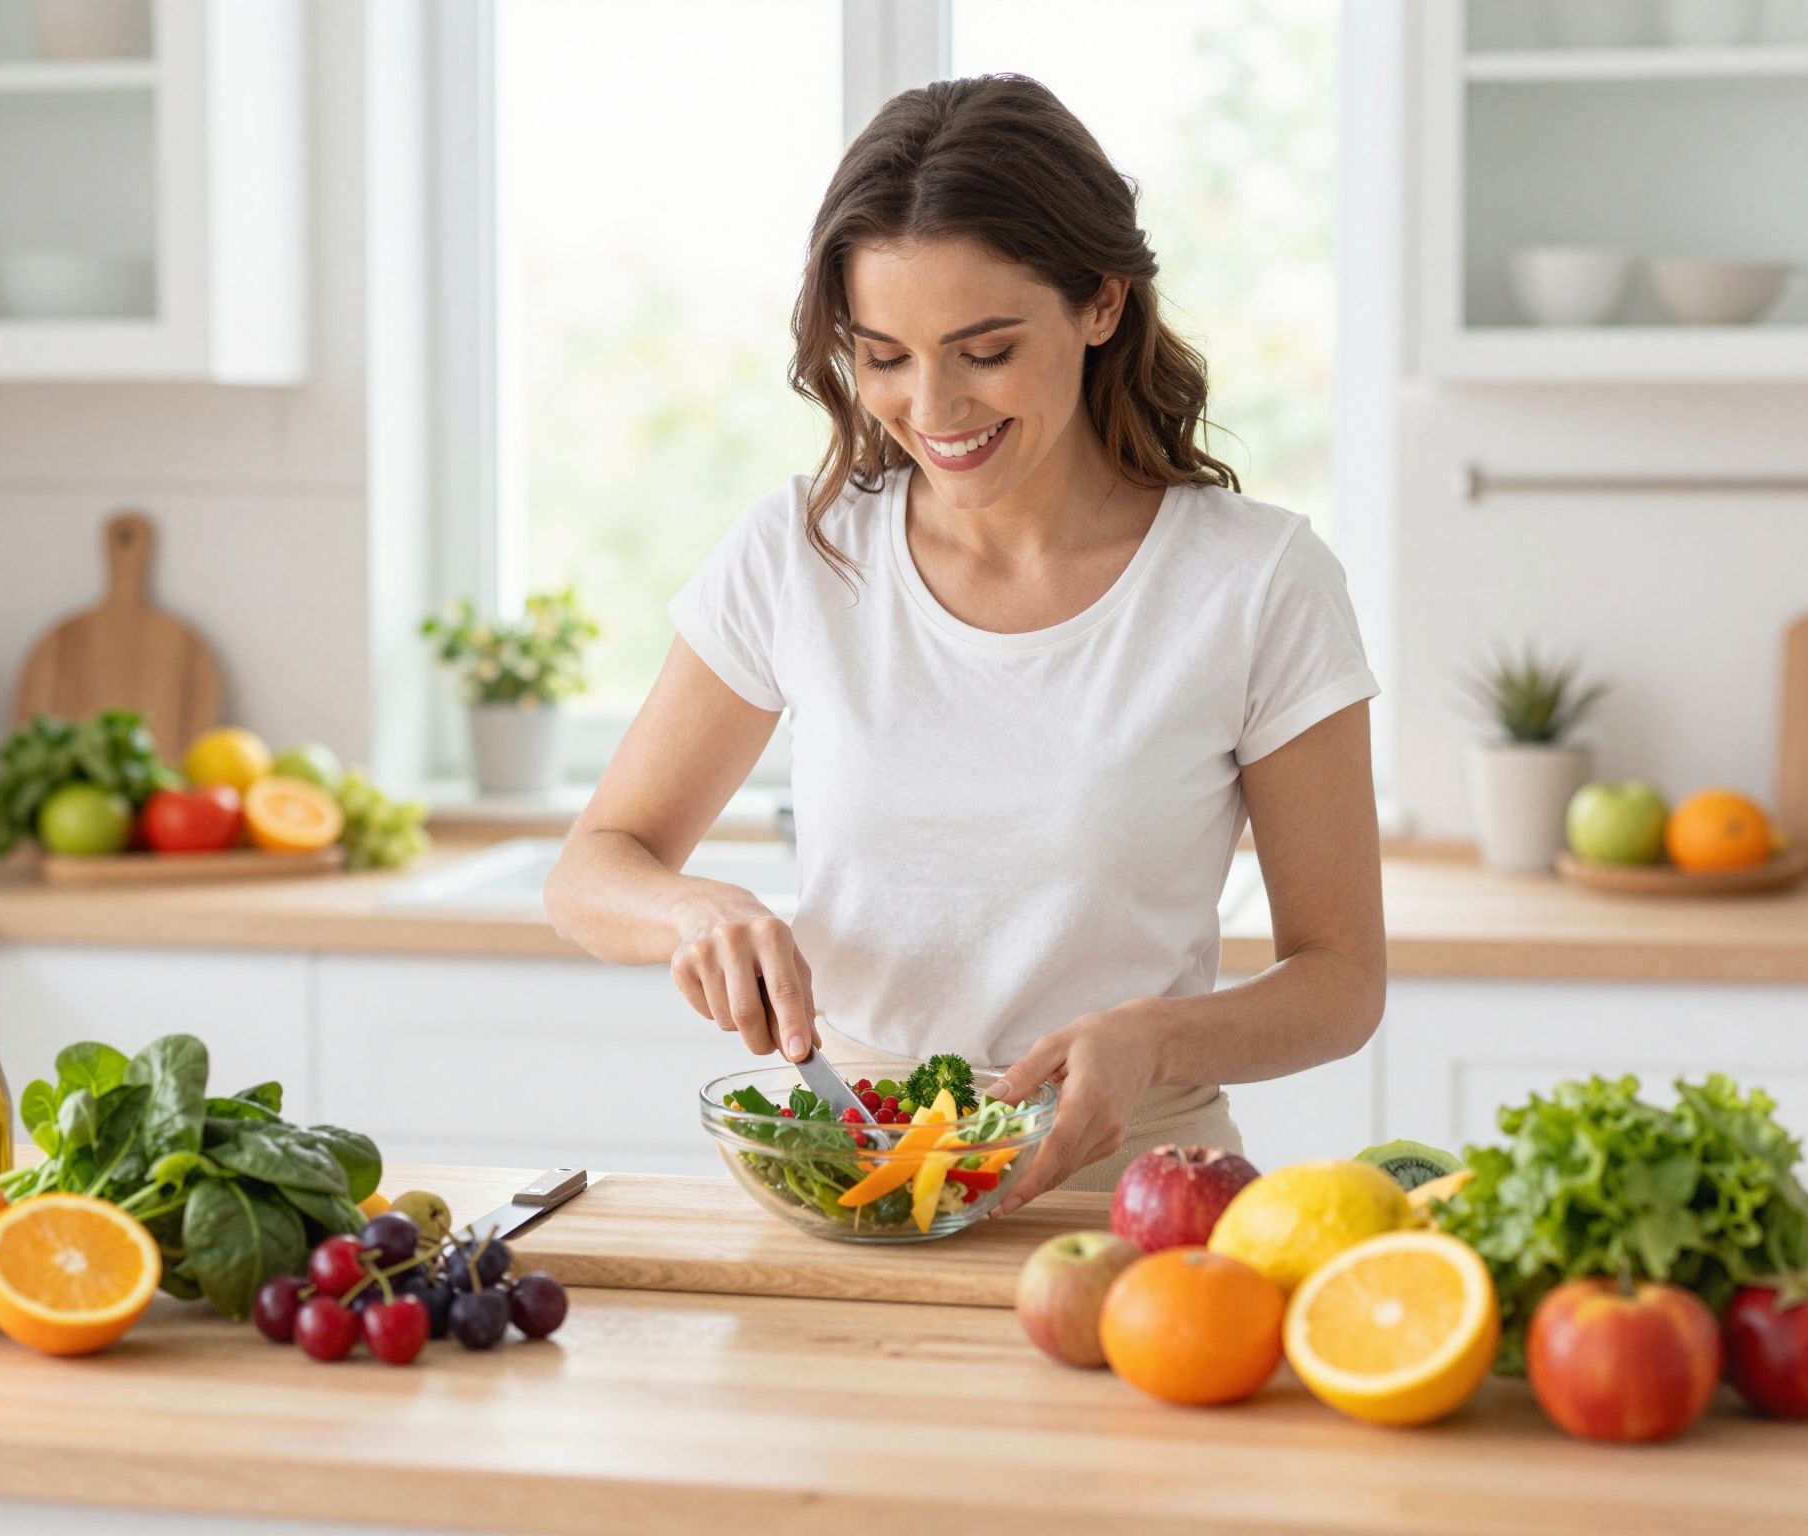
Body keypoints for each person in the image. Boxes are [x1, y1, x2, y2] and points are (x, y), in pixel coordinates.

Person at [544, 74, 1385, 1214]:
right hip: (847, 1175)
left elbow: (1339, 982)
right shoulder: (798, 555)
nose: (931, 407)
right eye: (881, 355)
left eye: (983, 350)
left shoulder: (1254, 582)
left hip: (1132, 1198)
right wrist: (696, 910)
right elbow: (594, 866)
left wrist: (1155, 1037)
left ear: (1100, 303)